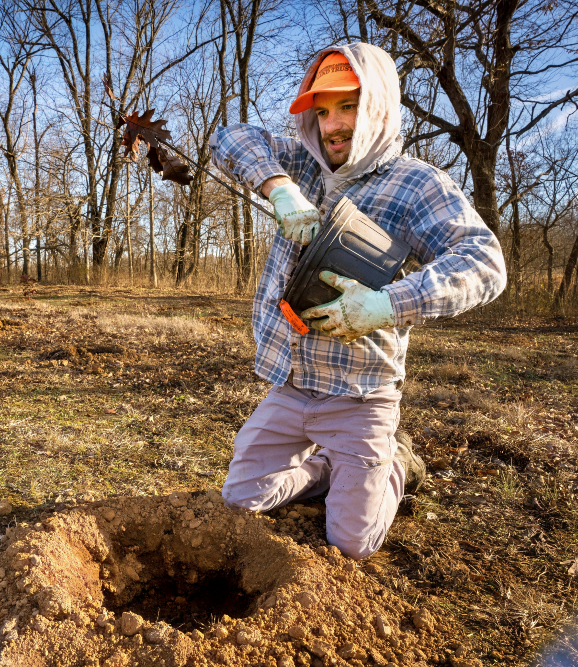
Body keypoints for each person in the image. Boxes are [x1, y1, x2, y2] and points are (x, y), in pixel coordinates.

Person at [209, 43, 506, 559]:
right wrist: (278, 186)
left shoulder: (417, 185)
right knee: (240, 501)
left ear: (380, 106)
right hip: (292, 384)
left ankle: (392, 463)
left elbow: (484, 263)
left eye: (348, 105)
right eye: (321, 111)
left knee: (351, 545)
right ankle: (328, 468)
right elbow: (229, 136)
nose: (332, 125)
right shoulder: (302, 164)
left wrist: (387, 304)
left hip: (360, 394)